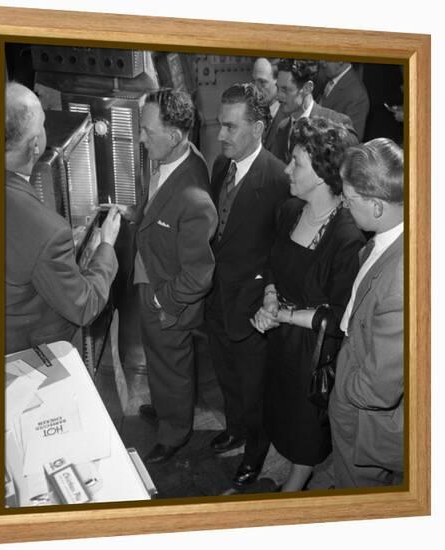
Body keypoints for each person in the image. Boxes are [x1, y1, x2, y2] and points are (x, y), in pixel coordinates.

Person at [251, 117, 364, 492]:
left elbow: (339, 317)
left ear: (320, 171)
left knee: (305, 426)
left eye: (296, 162)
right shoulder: (288, 211)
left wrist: (281, 314)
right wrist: (269, 298)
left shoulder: (347, 236)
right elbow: (272, 265)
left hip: (314, 353)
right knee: (278, 408)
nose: (286, 169)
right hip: (281, 342)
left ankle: (296, 485)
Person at [205, 83, 289, 489]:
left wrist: (268, 298)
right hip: (217, 300)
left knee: (254, 388)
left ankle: (255, 452)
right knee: (226, 375)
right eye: (221, 125)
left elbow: (281, 250)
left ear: (257, 128)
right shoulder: (222, 166)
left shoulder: (277, 179)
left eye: (230, 127)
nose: (221, 135)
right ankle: (235, 429)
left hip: (253, 307)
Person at [131, 89, 218, 465]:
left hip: (167, 298)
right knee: (158, 361)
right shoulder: (171, 156)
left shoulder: (195, 197)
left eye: (147, 131)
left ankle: (174, 433)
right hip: (152, 272)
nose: (140, 137)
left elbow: (200, 274)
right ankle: (167, 407)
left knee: (172, 366)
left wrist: (159, 299)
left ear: (176, 136)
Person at [5, 82, 122, 354]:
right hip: (23, 354)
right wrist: (105, 246)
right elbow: (84, 305)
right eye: (43, 123)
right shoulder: (48, 232)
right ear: (36, 145)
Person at [329, 138, 404, 488]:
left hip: (363, 421)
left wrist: (342, 391)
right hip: (356, 383)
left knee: (356, 491)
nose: (344, 203)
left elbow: (379, 388)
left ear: (376, 206)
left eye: (349, 197)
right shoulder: (384, 236)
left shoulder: (399, 280)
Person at [269, 58, 357, 164]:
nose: (278, 96)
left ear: (307, 88)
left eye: (285, 90)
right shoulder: (282, 128)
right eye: (277, 88)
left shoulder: (337, 123)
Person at [318, 61, 370, 140]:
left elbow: (352, 140)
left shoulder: (358, 95)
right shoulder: (327, 76)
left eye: (326, 59)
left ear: (341, 60)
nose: (322, 62)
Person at [251, 57, 288, 151]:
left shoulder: (289, 117)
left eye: (262, 82)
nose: (256, 88)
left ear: (278, 81)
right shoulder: (254, 114)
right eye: (254, 81)